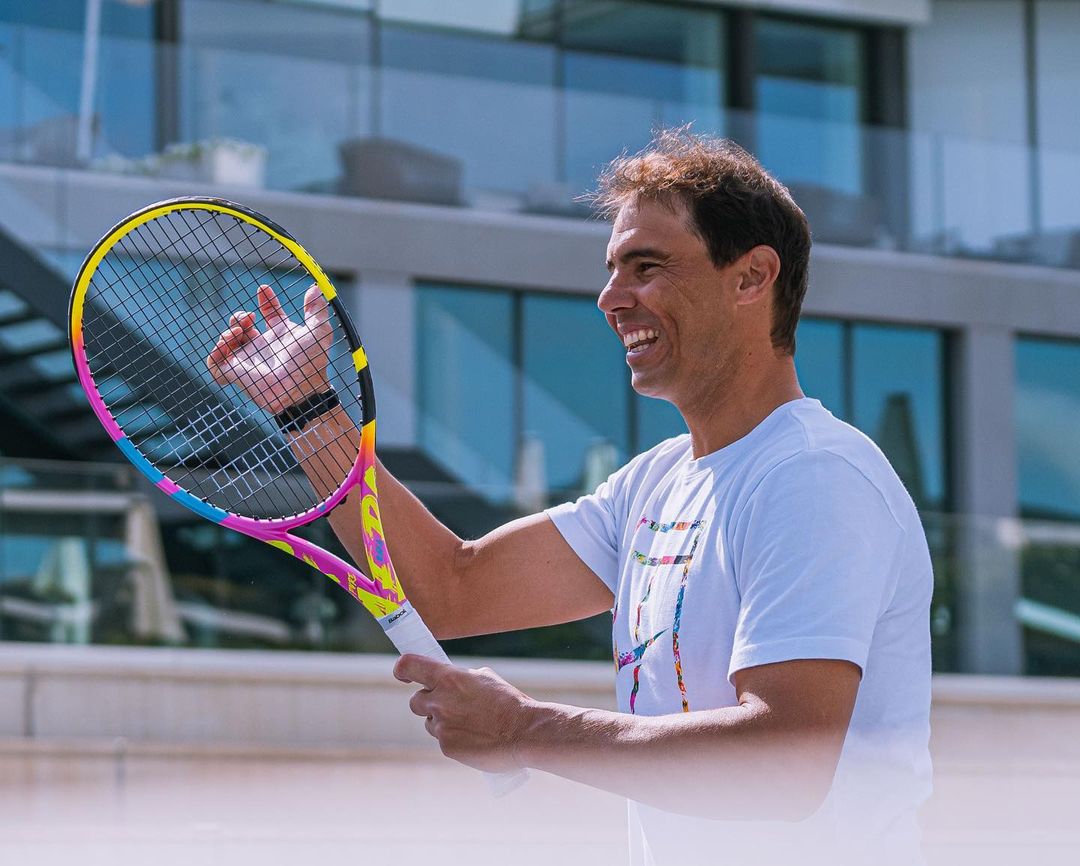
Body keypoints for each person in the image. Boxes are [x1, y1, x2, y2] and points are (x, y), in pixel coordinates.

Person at [207, 129, 932, 866]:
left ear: (752, 277)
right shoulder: (654, 484)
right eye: (613, 269)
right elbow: (450, 587)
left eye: (647, 267)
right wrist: (306, 409)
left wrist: (524, 729)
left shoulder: (815, 476)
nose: (611, 298)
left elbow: (785, 764)